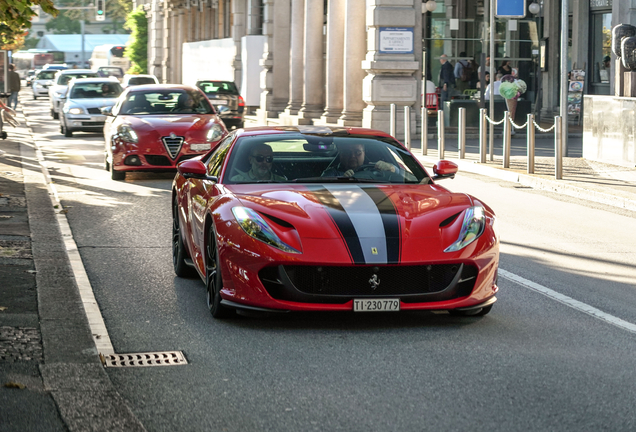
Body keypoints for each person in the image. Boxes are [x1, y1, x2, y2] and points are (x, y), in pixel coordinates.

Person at [321, 142, 401, 178]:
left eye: (357, 152)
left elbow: (403, 177)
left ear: (364, 153)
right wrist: (342, 180)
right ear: (341, 154)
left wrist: (391, 168)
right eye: (347, 153)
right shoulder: (331, 174)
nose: (352, 156)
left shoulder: (375, 168)